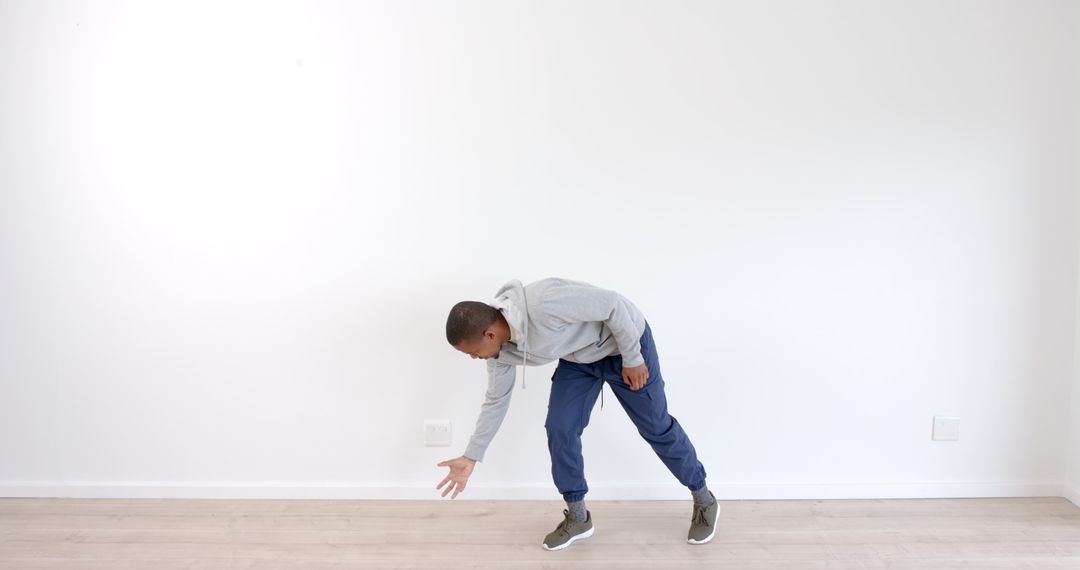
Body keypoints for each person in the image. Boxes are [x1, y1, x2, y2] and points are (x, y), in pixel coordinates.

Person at [436, 277, 719, 550]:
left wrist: (633, 357)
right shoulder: (499, 353)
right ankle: (578, 516)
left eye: (473, 352)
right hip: (579, 361)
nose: (475, 358)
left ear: (489, 334)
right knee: (560, 428)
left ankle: (704, 498)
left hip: (624, 345)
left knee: (656, 427)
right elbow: (496, 400)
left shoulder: (543, 302)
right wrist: (472, 455)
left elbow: (612, 305)